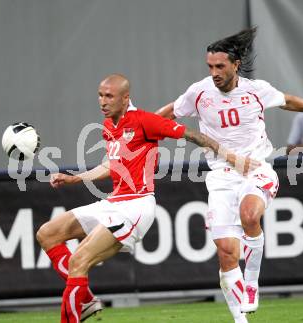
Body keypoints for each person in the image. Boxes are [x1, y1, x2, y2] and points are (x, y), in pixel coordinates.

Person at [156, 28, 303, 323]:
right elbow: (170, 111)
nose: (214, 72)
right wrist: (142, 126)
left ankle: (253, 281)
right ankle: (240, 320)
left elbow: (288, 100)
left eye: (220, 66)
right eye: (210, 66)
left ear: (235, 64)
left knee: (250, 215)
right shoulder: (200, 92)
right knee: (227, 253)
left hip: (255, 169)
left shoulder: (255, 90)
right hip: (220, 177)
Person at [36, 74, 257, 323]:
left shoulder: (145, 121)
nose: (102, 101)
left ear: (125, 98)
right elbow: (111, 165)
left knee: (78, 261)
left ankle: (75, 309)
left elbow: (194, 136)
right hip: (114, 202)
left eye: (109, 96)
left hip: (135, 206)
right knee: (47, 233)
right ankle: (84, 299)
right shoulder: (109, 126)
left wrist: (234, 159)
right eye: (100, 95)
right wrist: (76, 178)